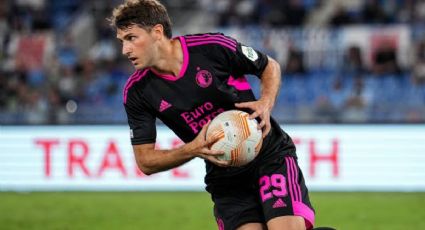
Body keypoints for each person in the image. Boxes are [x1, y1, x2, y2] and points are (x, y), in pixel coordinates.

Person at [109, 0, 315, 229]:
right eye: (122, 41)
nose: (125, 50)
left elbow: (269, 66)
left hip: (269, 155)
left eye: (131, 38)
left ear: (157, 32)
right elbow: (145, 161)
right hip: (225, 176)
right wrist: (192, 149)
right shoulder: (137, 92)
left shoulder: (211, 48)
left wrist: (265, 102)